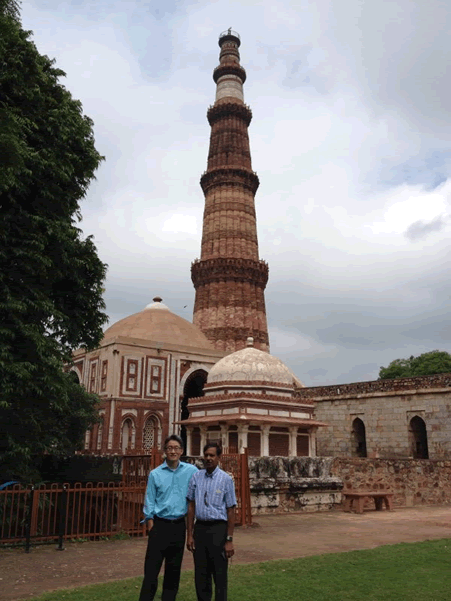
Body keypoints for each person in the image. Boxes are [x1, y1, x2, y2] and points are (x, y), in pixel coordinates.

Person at [139, 434, 198, 601]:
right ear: (165, 451)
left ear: (182, 451)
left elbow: (200, 487)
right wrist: (151, 525)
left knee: (173, 572)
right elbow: (149, 500)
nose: (173, 451)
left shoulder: (191, 471)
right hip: (159, 525)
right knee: (151, 572)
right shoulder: (155, 474)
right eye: (170, 448)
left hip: (178, 526)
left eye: (176, 448)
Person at [186, 442, 237, 601]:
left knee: (220, 574)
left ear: (218, 458)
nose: (208, 458)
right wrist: (190, 535)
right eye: (206, 455)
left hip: (218, 530)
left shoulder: (226, 479)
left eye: (212, 455)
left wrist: (229, 539)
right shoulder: (196, 476)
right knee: (201, 574)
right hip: (200, 529)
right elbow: (191, 506)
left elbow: (231, 509)